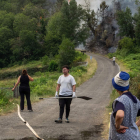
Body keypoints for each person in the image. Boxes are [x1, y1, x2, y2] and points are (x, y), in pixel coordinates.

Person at [109, 71, 140, 140]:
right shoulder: (136, 100)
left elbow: (120, 115)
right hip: (135, 136)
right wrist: (135, 125)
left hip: (122, 137)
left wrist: (118, 126)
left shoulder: (120, 101)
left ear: (117, 89)